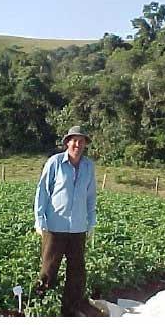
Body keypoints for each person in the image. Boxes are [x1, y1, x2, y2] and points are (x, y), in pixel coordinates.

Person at [34, 125, 98, 316]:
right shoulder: (54, 163)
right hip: (55, 226)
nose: (77, 144)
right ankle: (42, 305)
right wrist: (39, 220)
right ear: (67, 143)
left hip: (78, 227)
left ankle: (70, 309)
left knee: (77, 270)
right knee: (49, 267)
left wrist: (91, 222)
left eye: (81, 141)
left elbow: (91, 196)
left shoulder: (88, 166)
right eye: (74, 140)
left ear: (85, 144)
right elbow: (43, 191)